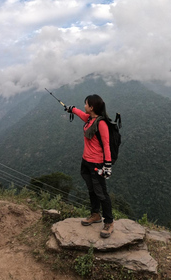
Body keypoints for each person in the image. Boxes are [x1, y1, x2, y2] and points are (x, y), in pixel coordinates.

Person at [66, 94, 114, 238]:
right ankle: (95, 214)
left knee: (101, 193)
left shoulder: (101, 124)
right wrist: (72, 109)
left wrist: (107, 165)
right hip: (86, 161)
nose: (85, 106)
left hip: (97, 163)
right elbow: (81, 113)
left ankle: (109, 222)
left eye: (86, 104)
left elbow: (106, 145)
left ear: (92, 107)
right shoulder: (89, 119)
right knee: (91, 189)